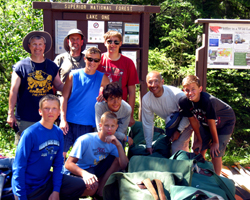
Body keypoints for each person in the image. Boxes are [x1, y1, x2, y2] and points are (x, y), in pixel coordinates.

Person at [12, 94, 95, 200]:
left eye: (54, 108)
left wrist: (56, 191)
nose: (50, 111)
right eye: (46, 108)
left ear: (59, 112)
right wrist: (21, 196)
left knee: (80, 185)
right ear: (40, 111)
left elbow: (58, 164)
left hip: (46, 180)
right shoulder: (30, 134)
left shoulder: (58, 133)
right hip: (29, 187)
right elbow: (19, 167)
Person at [7, 31, 64, 145]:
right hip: (25, 117)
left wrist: (75, 86)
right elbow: (13, 90)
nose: (37, 47)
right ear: (29, 46)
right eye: (34, 44)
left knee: (46, 148)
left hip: (48, 116)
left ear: (44, 46)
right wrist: (10, 114)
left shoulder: (52, 66)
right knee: (24, 149)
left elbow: (58, 85)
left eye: (40, 44)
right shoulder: (20, 67)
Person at [179, 75, 236, 175]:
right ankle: (201, 172)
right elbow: (193, 121)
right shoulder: (184, 102)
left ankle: (217, 179)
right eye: (187, 90)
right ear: (183, 90)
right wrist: (199, 140)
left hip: (225, 123)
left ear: (200, 89)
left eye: (193, 89)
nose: (190, 93)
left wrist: (215, 142)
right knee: (198, 149)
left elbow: (211, 122)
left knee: (215, 152)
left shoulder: (208, 100)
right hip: (206, 123)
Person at [64, 111, 129, 198]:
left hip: (94, 169)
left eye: (112, 126)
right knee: (92, 187)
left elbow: (124, 165)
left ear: (116, 127)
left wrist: (118, 145)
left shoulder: (114, 143)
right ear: (100, 126)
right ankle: (66, 194)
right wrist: (85, 174)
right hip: (77, 172)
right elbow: (68, 164)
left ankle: (100, 193)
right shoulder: (85, 140)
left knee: (117, 159)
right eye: (106, 125)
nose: (109, 129)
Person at [60, 47, 109, 158]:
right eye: (90, 59)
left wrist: (105, 95)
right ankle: (59, 175)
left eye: (96, 60)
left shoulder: (102, 78)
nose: (92, 62)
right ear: (85, 59)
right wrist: (63, 119)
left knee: (81, 157)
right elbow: (64, 97)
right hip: (68, 121)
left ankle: (74, 175)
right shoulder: (73, 75)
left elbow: (111, 92)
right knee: (61, 155)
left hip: (87, 124)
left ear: (99, 62)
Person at [142, 71, 202, 156]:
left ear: (162, 82)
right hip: (172, 124)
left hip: (189, 120)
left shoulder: (177, 94)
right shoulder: (146, 100)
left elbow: (189, 115)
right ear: (146, 84)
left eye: (156, 81)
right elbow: (148, 123)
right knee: (166, 149)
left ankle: (187, 166)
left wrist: (178, 131)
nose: (153, 85)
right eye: (150, 82)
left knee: (176, 149)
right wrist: (149, 146)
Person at [97, 30, 139, 127]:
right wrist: (102, 91)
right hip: (102, 107)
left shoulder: (128, 63)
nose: (112, 44)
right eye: (109, 41)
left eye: (116, 42)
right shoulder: (99, 60)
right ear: (105, 43)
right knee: (101, 136)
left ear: (120, 43)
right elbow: (93, 83)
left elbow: (132, 91)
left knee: (119, 139)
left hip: (120, 108)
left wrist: (131, 115)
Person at [95, 82, 133, 147]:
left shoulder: (127, 109)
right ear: (105, 99)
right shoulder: (100, 107)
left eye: (118, 98)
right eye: (112, 99)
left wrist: (122, 137)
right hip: (101, 136)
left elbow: (122, 131)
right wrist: (124, 137)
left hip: (118, 137)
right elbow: (100, 129)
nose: (116, 102)